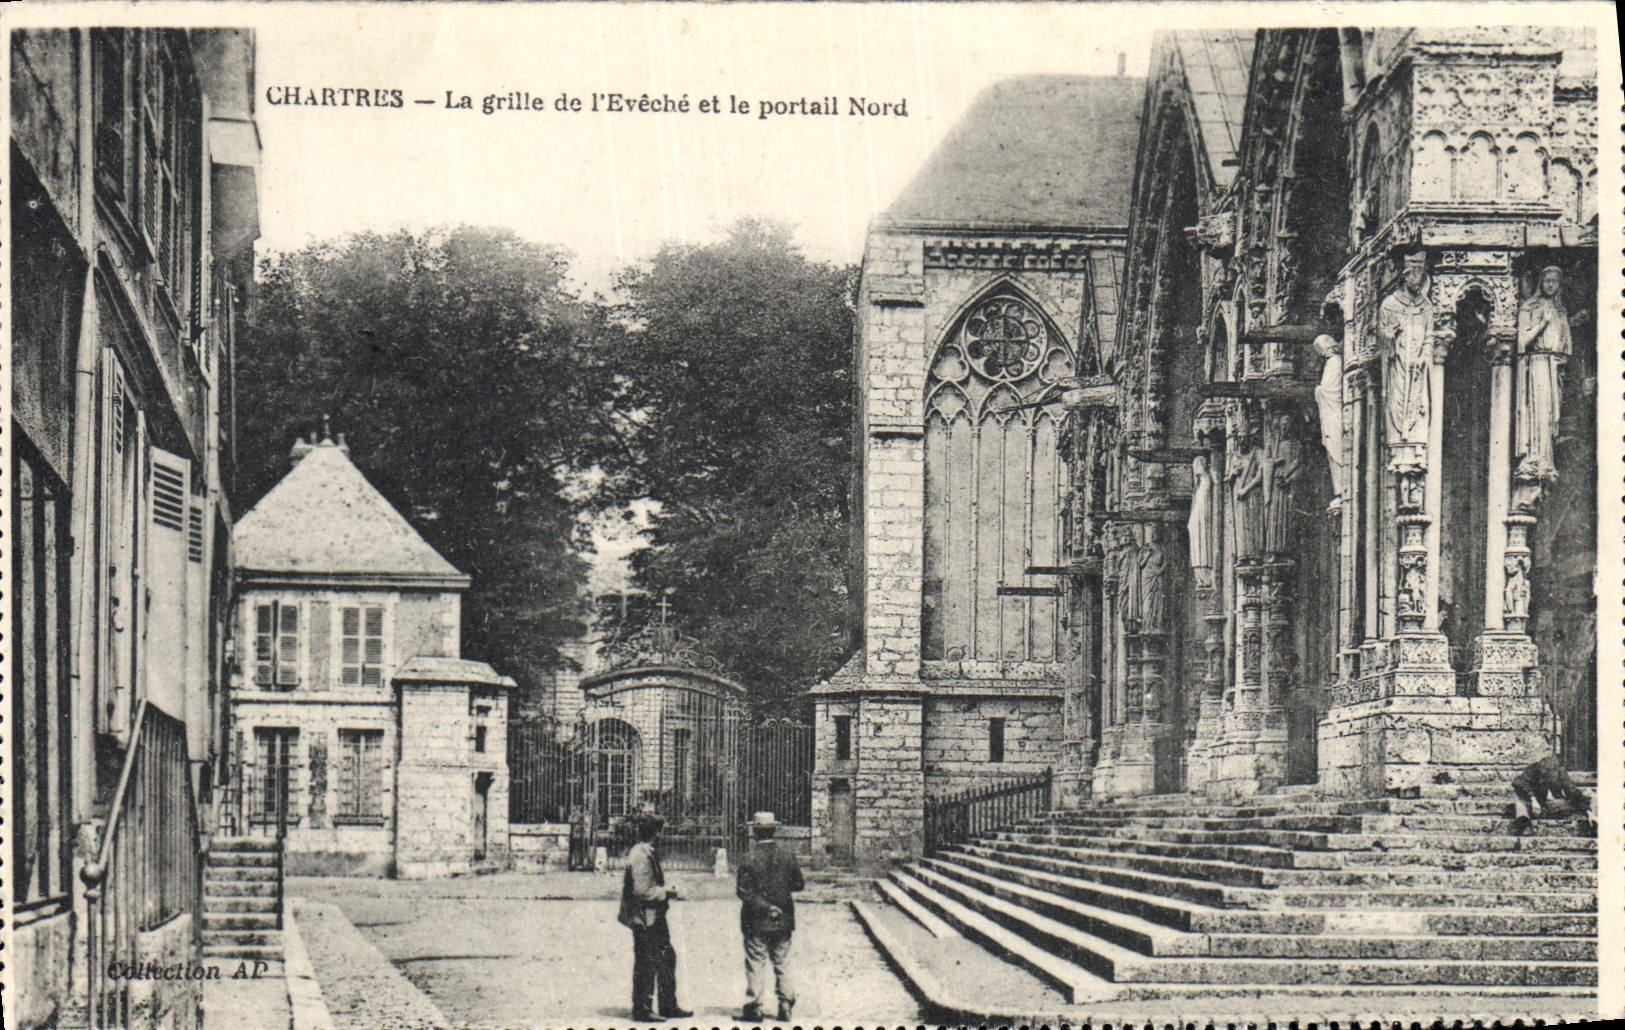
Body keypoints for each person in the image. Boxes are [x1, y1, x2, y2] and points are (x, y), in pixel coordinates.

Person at [617, 813, 691, 1021]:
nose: (663, 835)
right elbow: (644, 891)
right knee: (646, 962)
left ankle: (667, 1005)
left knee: (667, 957)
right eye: (661, 830)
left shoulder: (646, 852)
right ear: (655, 832)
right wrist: (670, 892)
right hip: (645, 918)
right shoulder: (640, 855)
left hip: (654, 916)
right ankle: (642, 1008)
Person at [736, 811, 805, 1023]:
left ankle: (755, 1007)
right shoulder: (787, 855)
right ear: (774, 830)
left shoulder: (748, 858)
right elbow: (798, 884)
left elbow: (743, 892)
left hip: (755, 919)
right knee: (782, 961)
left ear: (755, 832)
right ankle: (785, 1005)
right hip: (783, 918)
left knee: (756, 961)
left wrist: (766, 907)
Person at [1510, 755, 1595, 836]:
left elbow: (1572, 791)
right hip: (1533, 804)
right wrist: (1533, 799)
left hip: (1550, 805)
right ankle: (1523, 819)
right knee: (1518, 794)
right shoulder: (1533, 769)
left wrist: (1589, 812)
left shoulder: (1561, 773)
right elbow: (1518, 783)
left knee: (1589, 795)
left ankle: (1592, 817)